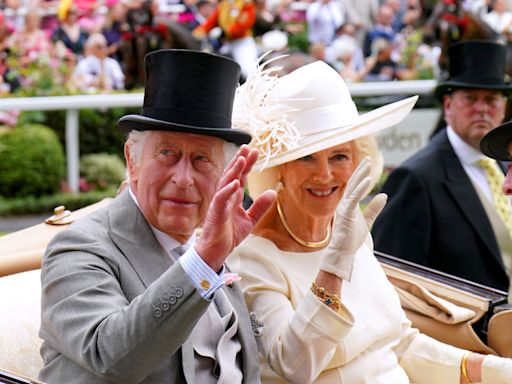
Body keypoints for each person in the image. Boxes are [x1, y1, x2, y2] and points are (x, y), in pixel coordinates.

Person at [227, 57, 512, 383]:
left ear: (358, 161)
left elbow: (399, 343)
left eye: (339, 156)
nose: (325, 174)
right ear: (280, 169)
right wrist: (334, 267)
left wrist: (492, 371)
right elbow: (294, 366)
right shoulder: (252, 256)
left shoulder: (351, 235)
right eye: (306, 158)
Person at [38, 49, 276, 383]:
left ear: (225, 174)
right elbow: (113, 357)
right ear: (132, 161)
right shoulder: (80, 248)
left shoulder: (211, 249)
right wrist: (204, 260)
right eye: (167, 153)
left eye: (201, 159)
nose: (183, 178)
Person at [372, 40, 512, 293]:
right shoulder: (415, 178)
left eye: (491, 99)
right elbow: (393, 281)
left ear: (503, 108)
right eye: (470, 98)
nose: (481, 109)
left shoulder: (506, 165)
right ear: (448, 106)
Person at [192, 0, 258, 80]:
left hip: (241, 42)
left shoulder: (245, 3)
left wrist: (226, 32)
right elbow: (211, 22)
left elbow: (244, 23)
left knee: (247, 70)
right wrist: (197, 33)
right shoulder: (223, 4)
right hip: (227, 44)